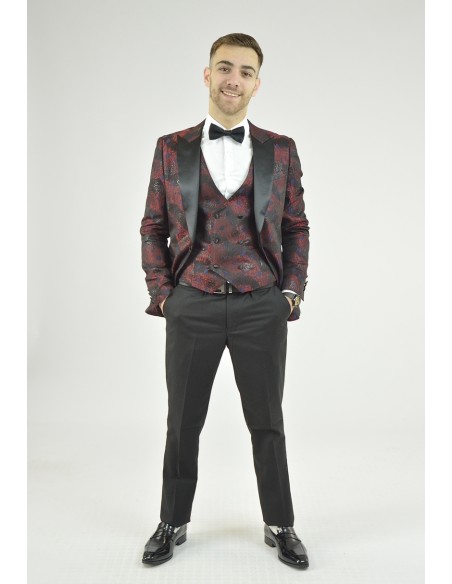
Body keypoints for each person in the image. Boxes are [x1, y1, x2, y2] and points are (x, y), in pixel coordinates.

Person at [140, 33, 310, 569]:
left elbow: (296, 226)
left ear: (257, 83)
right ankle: (172, 521)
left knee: (268, 421)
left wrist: (290, 294)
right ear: (207, 74)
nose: (233, 79)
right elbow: (153, 226)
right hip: (193, 303)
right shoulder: (171, 147)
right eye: (224, 67)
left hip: (262, 304)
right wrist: (164, 296)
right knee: (182, 421)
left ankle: (280, 522)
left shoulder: (281, 149)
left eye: (245, 71)